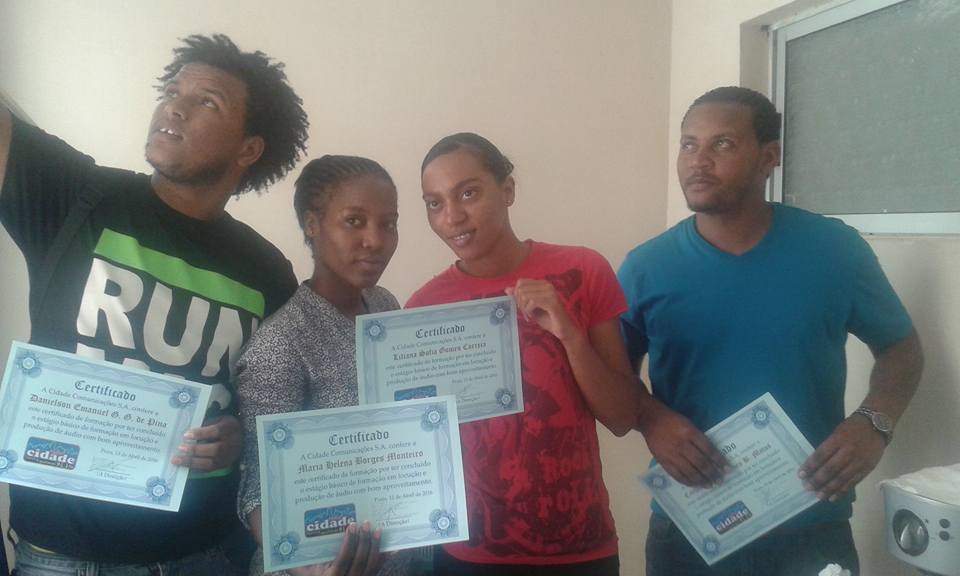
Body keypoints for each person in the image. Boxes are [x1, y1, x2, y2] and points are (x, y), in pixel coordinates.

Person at [0, 34, 308, 574]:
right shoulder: (76, 195)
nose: (175, 107)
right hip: (63, 555)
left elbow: (270, 409)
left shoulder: (267, 272)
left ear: (248, 149)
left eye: (206, 101)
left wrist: (237, 436)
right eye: (172, 91)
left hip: (201, 554)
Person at [619, 86, 924, 576]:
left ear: (769, 157)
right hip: (692, 527)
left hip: (812, 520)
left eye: (722, 144)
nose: (698, 161)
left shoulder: (833, 250)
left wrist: (874, 422)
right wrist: (652, 419)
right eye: (689, 144)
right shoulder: (646, 268)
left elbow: (900, 347)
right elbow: (612, 377)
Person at [407, 132, 641, 575]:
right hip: (470, 555)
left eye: (468, 193)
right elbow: (418, 447)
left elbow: (623, 416)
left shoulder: (582, 270)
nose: (452, 216)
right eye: (434, 203)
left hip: (580, 549)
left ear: (508, 190)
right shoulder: (423, 309)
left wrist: (570, 335)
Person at [235, 155, 412, 576]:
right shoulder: (282, 342)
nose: (375, 240)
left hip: (394, 553)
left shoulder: (384, 305)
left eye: (388, 223)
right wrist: (310, 569)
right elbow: (257, 487)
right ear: (313, 225)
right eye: (354, 221)